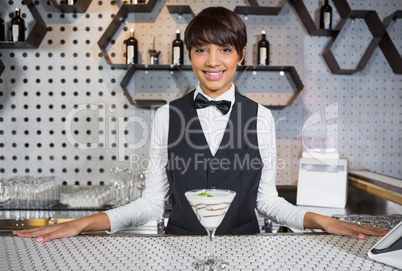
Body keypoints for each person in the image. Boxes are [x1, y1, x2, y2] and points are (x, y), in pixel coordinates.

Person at [13, 6, 388, 241]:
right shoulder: (165, 116)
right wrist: (84, 223)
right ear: (189, 55)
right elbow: (150, 203)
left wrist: (322, 222)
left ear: (241, 55)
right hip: (178, 248)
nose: (213, 61)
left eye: (225, 49)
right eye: (202, 49)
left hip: (245, 252)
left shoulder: (260, 117)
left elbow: (266, 201)